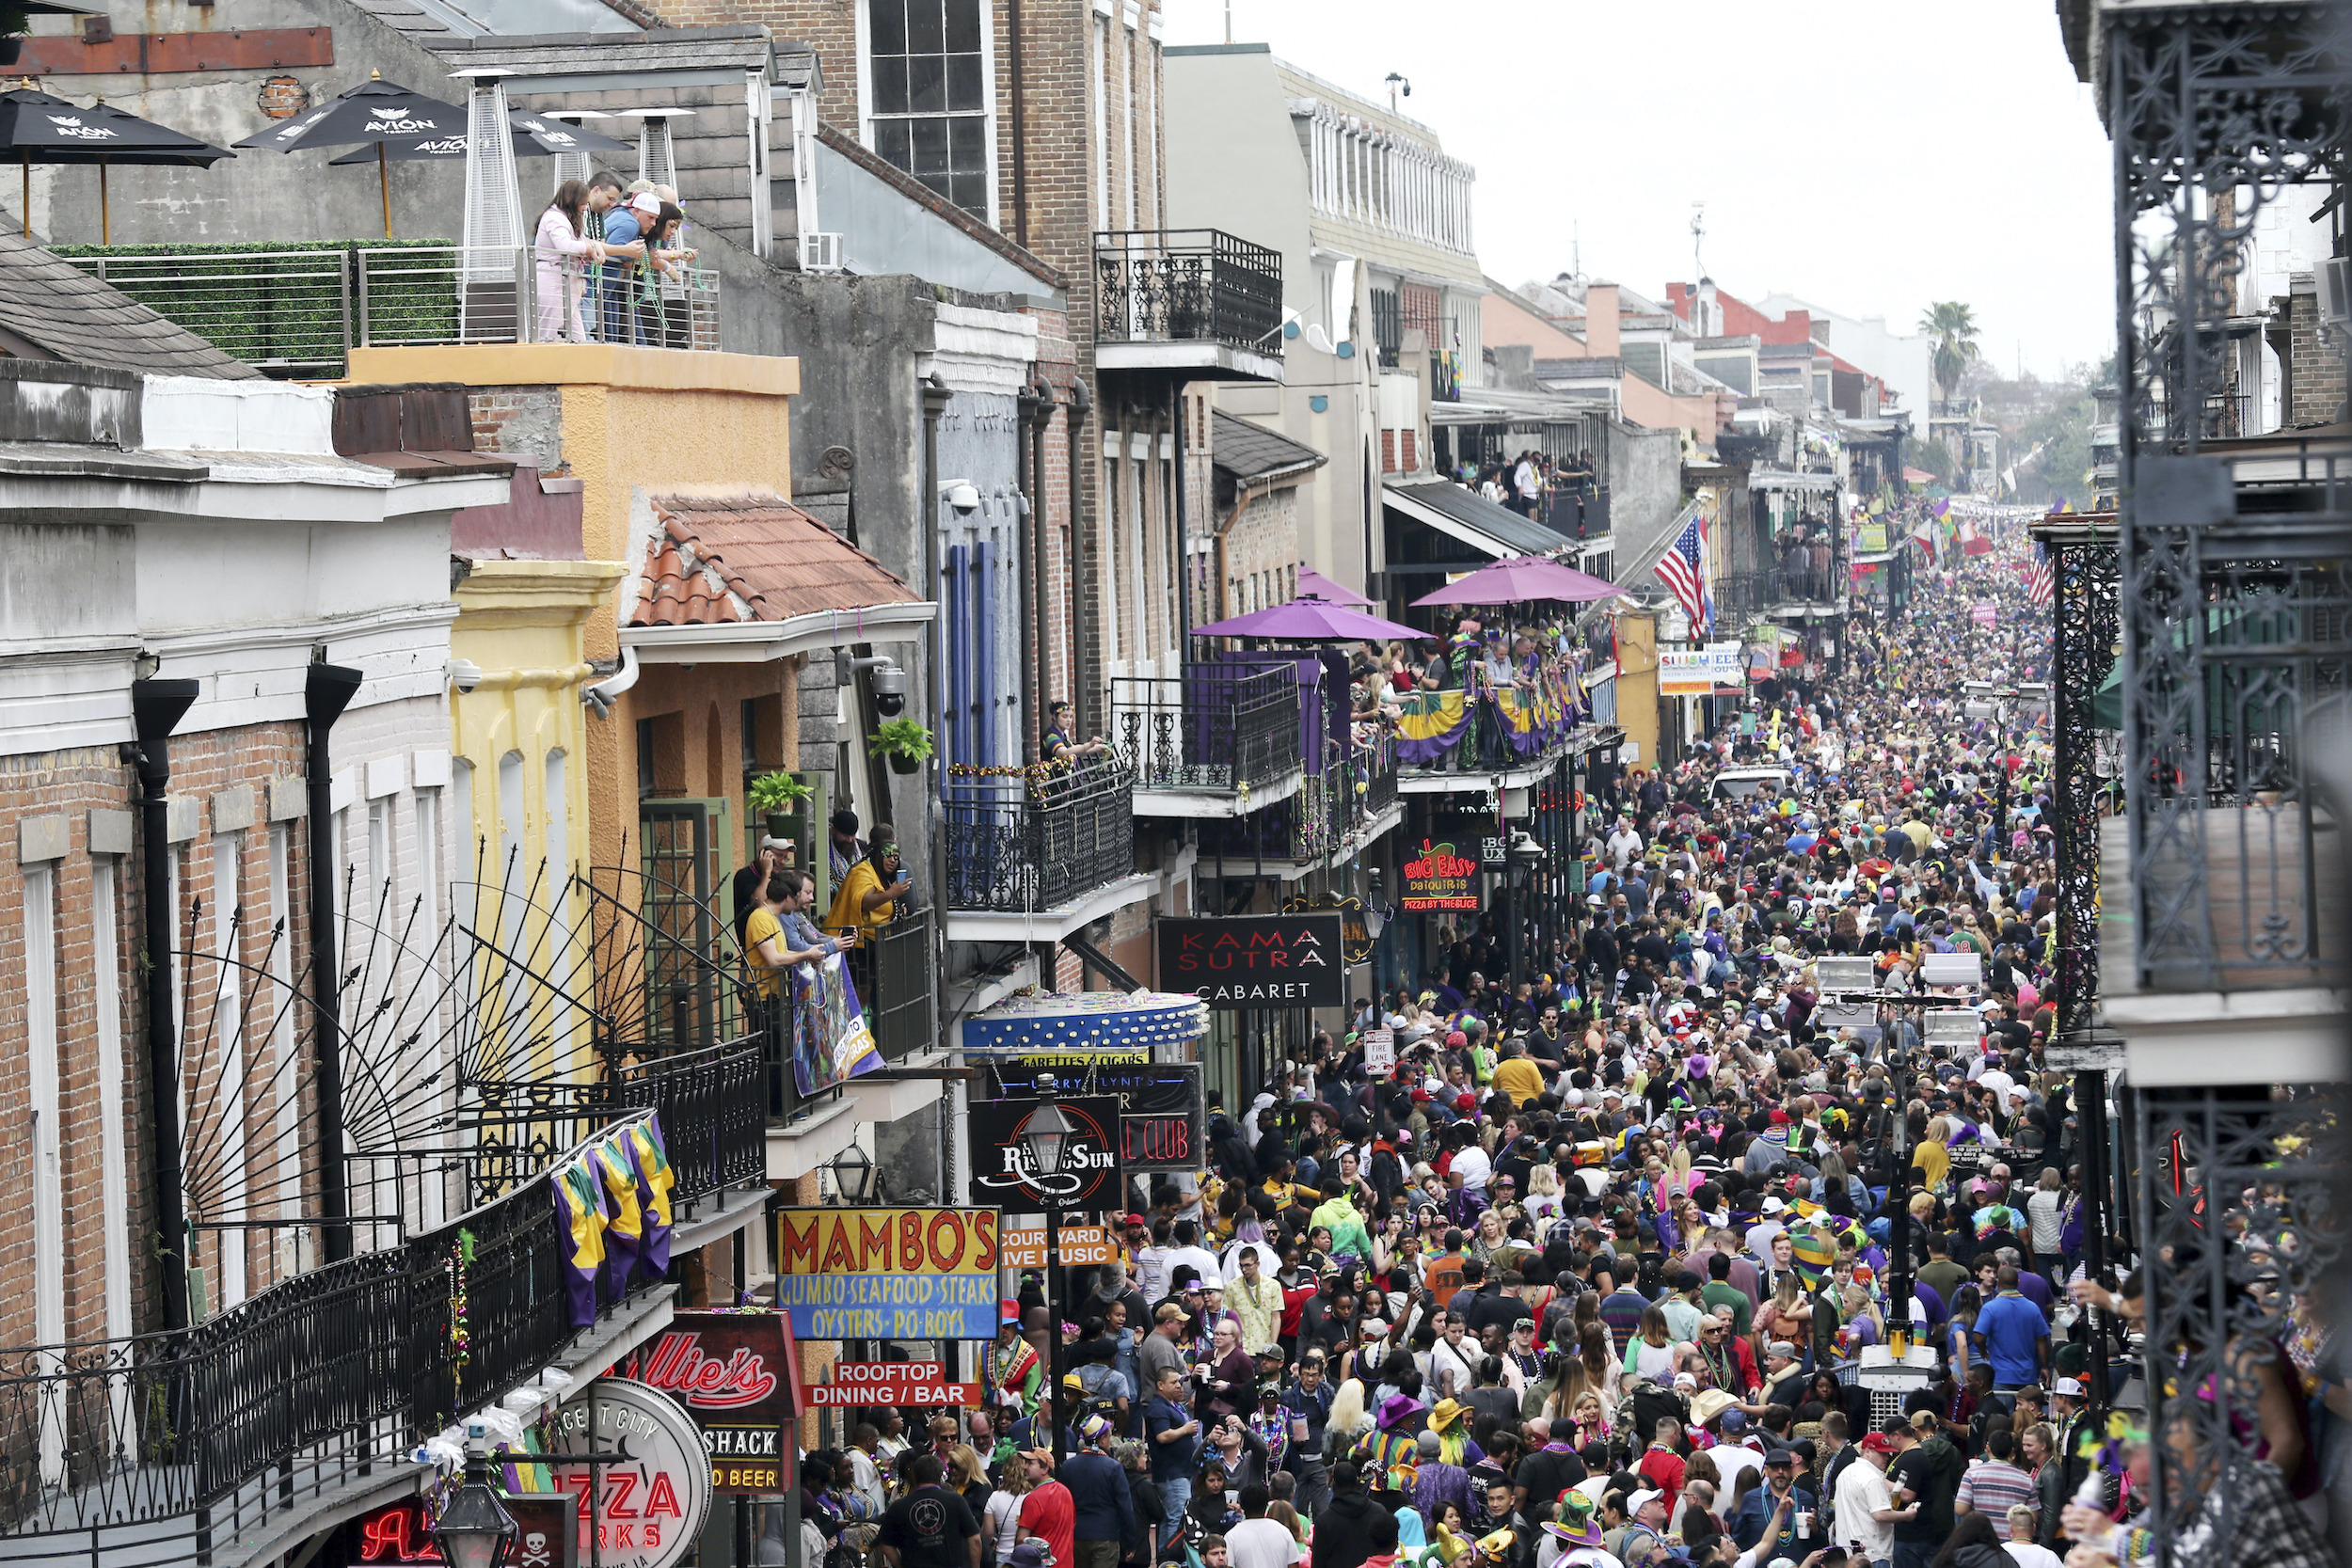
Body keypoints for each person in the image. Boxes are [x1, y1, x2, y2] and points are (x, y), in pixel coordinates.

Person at [876, 1452, 984, 1568]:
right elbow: (975, 1540)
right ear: (939, 1476)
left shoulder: (898, 1506)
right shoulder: (956, 1500)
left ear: (915, 1476)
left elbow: (885, 1545)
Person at [532, 179, 608, 341]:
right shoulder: (555, 218)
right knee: (553, 334)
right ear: (572, 201)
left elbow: (581, 241)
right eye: (582, 203)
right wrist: (589, 249)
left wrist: (595, 246)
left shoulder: (566, 219)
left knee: (577, 337)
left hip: (566, 282)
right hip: (554, 280)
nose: (585, 207)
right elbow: (564, 245)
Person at [1060, 1415, 1136, 1568]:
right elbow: (1125, 1507)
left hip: (1077, 1536)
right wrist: (1130, 1541)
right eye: (1109, 1437)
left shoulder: (1068, 1466)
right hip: (1105, 1537)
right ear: (1102, 1440)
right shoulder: (1113, 1467)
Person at [827, 830, 913, 939]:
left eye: (896, 857)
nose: (892, 860)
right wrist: (891, 893)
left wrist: (897, 910)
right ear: (878, 856)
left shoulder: (882, 876)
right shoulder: (863, 871)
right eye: (888, 855)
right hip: (855, 944)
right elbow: (862, 903)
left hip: (878, 942)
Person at [1226, 1483, 1302, 1568]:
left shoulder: (1232, 1536)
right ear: (1266, 1505)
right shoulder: (1283, 1531)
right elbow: (1293, 1564)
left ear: (1242, 1505)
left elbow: (1228, 1565)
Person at [1042, 700, 1110, 765]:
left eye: (1071, 717)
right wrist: (1089, 744)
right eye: (1065, 717)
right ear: (1054, 717)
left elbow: (1075, 749)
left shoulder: (1062, 736)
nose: (1069, 720)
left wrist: (1098, 747)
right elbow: (1064, 753)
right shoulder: (1050, 737)